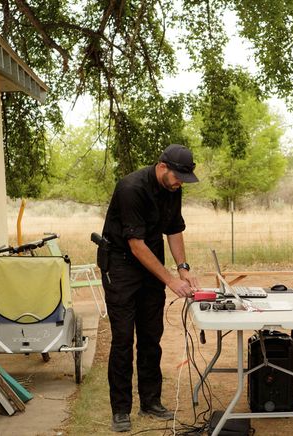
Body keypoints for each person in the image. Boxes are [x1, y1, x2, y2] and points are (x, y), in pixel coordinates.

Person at [98, 144, 201, 432]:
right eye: (178, 176)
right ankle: (120, 410)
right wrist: (170, 280)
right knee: (122, 339)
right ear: (162, 167)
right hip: (121, 264)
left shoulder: (173, 188)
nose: (181, 183)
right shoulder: (131, 188)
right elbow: (136, 245)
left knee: (150, 335)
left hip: (151, 262)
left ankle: (150, 401)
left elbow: (174, 230)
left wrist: (183, 268)